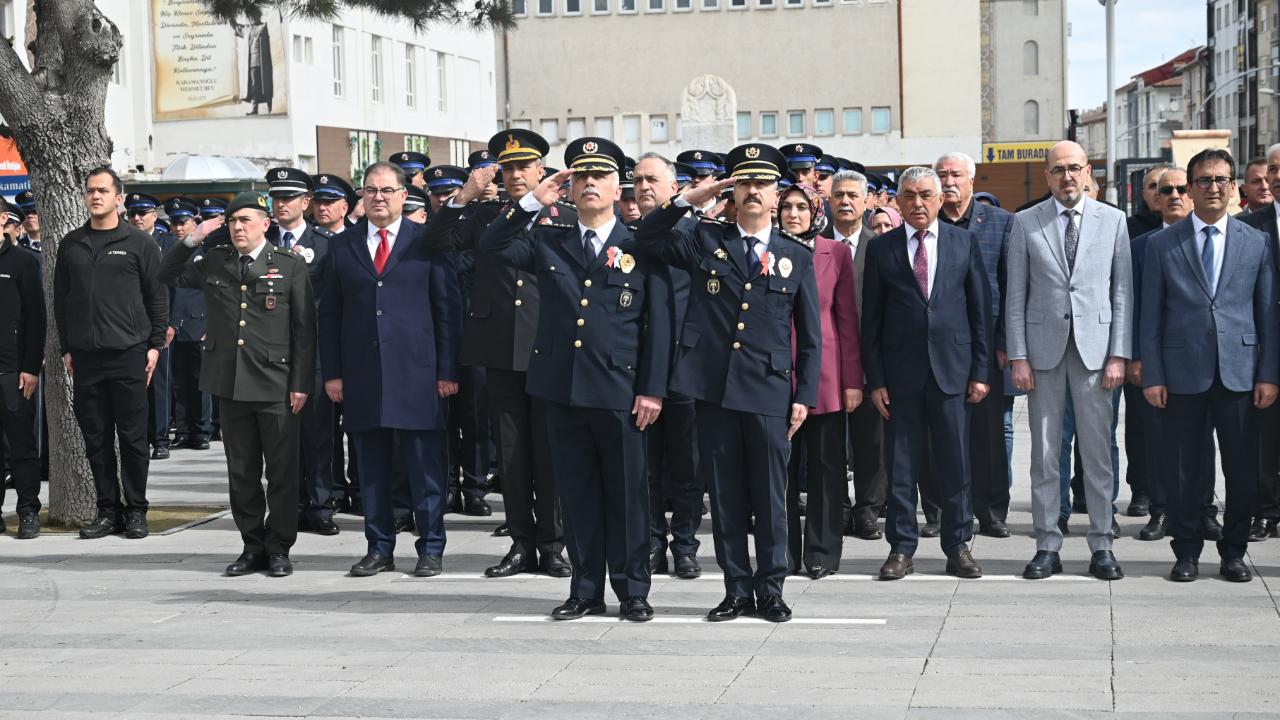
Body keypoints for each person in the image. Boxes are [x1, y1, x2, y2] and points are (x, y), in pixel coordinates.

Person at [481, 137, 671, 622]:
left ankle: (633, 590)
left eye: (599, 176)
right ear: (568, 187)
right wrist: (532, 201)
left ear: (616, 188)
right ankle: (585, 589)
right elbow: (492, 245)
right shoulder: (550, 239)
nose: (589, 183)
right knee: (577, 494)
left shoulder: (639, 244)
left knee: (627, 496)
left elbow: (658, 324)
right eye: (581, 176)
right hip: (561, 388)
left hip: (621, 391)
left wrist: (652, 388)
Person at [636, 143, 821, 623]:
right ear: (732, 192)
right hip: (714, 388)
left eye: (762, 183)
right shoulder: (705, 239)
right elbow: (649, 235)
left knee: (771, 497)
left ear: (777, 194)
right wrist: (691, 198)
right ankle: (736, 589)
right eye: (745, 183)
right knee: (724, 496)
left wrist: (804, 395)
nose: (753, 191)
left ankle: (772, 588)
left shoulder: (795, 254)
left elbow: (809, 336)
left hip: (768, 390)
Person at [421, 129, 571, 578]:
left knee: (550, 451)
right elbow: (434, 242)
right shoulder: (485, 215)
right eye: (508, 168)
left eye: (524, 166)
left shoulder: (563, 215)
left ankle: (553, 544)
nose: (516, 175)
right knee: (511, 452)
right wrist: (463, 196)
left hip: (549, 347)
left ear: (541, 169)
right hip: (500, 346)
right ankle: (521, 542)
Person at [1141, 148, 1278, 583]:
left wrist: (1268, 373)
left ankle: (1233, 551)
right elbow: (1150, 315)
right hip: (1181, 374)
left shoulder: (1255, 241)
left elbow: (1266, 313)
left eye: (1221, 179)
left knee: (1242, 471)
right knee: (1185, 470)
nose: (1213, 187)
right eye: (1204, 180)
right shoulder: (1163, 244)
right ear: (1191, 187)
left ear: (1233, 187)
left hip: (1241, 373)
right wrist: (1153, 375)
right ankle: (1186, 551)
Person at [320, 161, 462, 578]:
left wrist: (447, 370)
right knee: (372, 470)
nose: (378, 197)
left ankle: (431, 547)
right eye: (370, 190)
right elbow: (330, 314)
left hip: (418, 375)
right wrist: (333, 373)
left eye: (386, 190)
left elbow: (446, 309)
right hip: (363, 374)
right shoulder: (342, 246)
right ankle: (379, 547)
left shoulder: (426, 241)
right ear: (361, 197)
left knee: (425, 468)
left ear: (403, 195)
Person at [160, 192, 314, 576]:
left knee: (281, 473)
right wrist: (193, 238)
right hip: (231, 383)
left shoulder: (288, 264)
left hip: (276, 383)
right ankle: (252, 545)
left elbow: (304, 330)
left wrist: (300, 382)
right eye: (232, 221)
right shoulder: (216, 260)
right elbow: (165, 273)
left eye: (246, 219)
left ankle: (279, 547)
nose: (238, 227)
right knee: (242, 472)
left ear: (266, 224)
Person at [1005, 141, 1133, 581]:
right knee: (1044, 453)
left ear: (1087, 171)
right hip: (1043, 353)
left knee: (1097, 454)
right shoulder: (1026, 221)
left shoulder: (1113, 220)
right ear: (1047, 175)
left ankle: (1102, 544)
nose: (1067, 176)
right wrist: (1018, 356)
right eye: (1058, 169)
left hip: (1097, 354)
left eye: (1074, 168)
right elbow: (1016, 294)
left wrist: (1119, 354)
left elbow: (1122, 292)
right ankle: (1047, 544)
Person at [860, 167, 991, 581]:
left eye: (925, 195)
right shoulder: (881, 249)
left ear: (940, 199)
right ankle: (901, 548)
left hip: (953, 371)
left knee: (956, 464)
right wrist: (876, 379)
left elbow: (980, 311)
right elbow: (871, 320)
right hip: (900, 376)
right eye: (910, 196)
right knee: (901, 466)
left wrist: (981, 370)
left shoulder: (963, 242)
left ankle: (958, 546)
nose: (918, 203)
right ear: (897, 202)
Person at [54, 167, 167, 539]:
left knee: (133, 438)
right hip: (86, 357)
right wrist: (67, 348)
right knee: (96, 438)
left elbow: (157, 296)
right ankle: (108, 511)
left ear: (119, 198)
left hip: (129, 354)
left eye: (102, 190)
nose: (95, 196)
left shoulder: (139, 243)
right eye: (90, 191)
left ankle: (136, 511)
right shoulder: (72, 243)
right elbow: (61, 300)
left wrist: (154, 346)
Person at [1128, 167, 1217, 542]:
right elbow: (1132, 305)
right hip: (1157, 359)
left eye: (1182, 188)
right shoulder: (1141, 246)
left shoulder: (1210, 240)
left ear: (1192, 193)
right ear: (1155, 198)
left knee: (1203, 441)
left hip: (1203, 359)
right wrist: (1136, 357)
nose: (1175, 195)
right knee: (1158, 438)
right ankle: (1161, 509)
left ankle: (1204, 510)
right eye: (1166, 190)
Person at [779, 183, 861, 578]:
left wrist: (852, 380)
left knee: (827, 466)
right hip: (776, 372)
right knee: (781, 469)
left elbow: (846, 319)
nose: (793, 214)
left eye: (801, 207)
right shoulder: (767, 249)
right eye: (786, 206)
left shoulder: (836, 252)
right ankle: (783, 552)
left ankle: (822, 552)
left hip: (826, 373)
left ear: (815, 211)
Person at [936, 151, 1015, 539]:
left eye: (956, 174)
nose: (948, 181)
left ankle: (991, 510)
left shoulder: (1000, 222)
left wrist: (1004, 342)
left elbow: (1011, 286)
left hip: (986, 344)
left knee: (988, 433)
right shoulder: (927, 221)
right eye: (942, 174)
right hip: (939, 344)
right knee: (940, 431)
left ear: (971, 179)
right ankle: (940, 510)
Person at [632, 153, 703, 579]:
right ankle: (653, 542)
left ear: (674, 188)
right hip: (634, 371)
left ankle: (686, 544)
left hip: (685, 369)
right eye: (638, 179)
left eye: (653, 179)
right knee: (645, 468)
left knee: (687, 466)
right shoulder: (624, 236)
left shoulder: (697, 234)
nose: (644, 186)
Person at [267, 167, 339, 537]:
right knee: (280, 437)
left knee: (318, 433)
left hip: (316, 350)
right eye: (276, 197)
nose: (281, 204)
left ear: (306, 202)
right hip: (272, 352)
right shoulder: (261, 240)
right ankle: (289, 507)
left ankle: (320, 506)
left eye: (289, 197)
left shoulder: (325, 243)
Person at [819, 170, 883, 540]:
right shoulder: (814, 244)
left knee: (871, 442)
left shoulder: (882, 247)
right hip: (828, 358)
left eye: (852, 195)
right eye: (839, 195)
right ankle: (838, 509)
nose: (845, 201)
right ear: (829, 201)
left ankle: (869, 510)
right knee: (829, 443)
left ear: (866, 201)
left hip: (871, 358)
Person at [1243, 142, 1280, 540]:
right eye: (1273, 169)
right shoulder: (1249, 227)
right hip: (1263, 350)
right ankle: (1265, 512)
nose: (1277, 176)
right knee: (1264, 439)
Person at [0, 223, 45, 538]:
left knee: (22, 446)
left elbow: (36, 318)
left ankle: (28, 511)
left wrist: (30, 367)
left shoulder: (23, 261)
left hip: (14, 372)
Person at [126, 192, 177, 461]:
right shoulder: (125, 241)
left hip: (159, 321)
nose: (136, 218)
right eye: (132, 213)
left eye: (142, 213)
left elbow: (178, 287)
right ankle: (140, 438)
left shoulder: (167, 244)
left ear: (154, 216)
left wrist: (172, 322)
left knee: (158, 384)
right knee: (134, 384)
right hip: (131, 324)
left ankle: (160, 439)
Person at [162, 197, 213, 451]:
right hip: (175, 326)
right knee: (179, 382)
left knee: (200, 382)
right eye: (174, 223)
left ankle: (202, 432)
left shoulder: (205, 252)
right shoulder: (171, 253)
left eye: (183, 222)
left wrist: (211, 325)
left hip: (199, 324)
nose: (178, 228)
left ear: (196, 222)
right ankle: (183, 431)